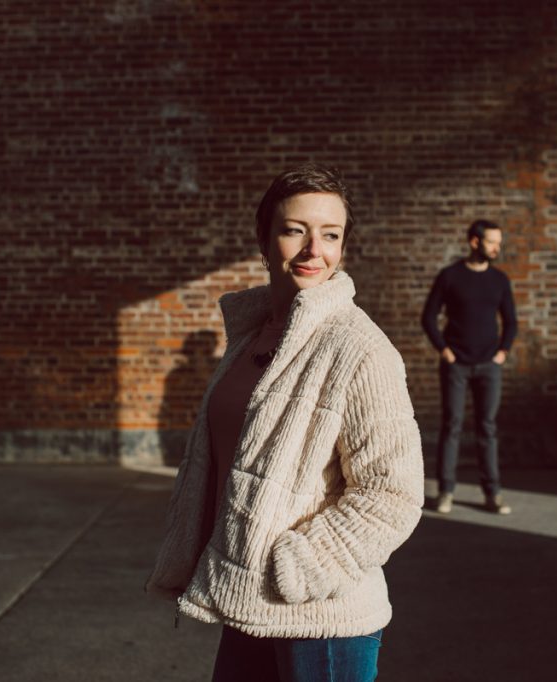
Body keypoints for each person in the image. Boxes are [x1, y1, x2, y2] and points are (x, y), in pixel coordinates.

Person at [146, 164, 425, 682]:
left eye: (331, 235)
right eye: (295, 229)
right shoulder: (254, 334)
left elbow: (393, 494)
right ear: (264, 239)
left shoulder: (359, 348)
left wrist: (295, 568)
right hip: (247, 601)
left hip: (318, 616)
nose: (312, 249)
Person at [421, 219, 517, 515]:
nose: (497, 248)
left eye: (498, 243)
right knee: (452, 427)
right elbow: (429, 316)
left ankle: (492, 494)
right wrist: (445, 351)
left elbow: (511, 321)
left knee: (487, 428)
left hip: (489, 365)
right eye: (492, 242)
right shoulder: (450, 276)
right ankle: (445, 492)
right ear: (474, 242)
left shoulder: (500, 280)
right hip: (456, 365)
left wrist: (502, 352)